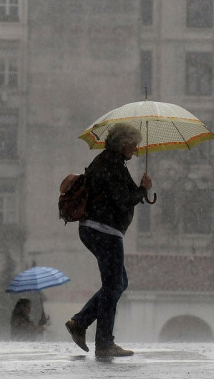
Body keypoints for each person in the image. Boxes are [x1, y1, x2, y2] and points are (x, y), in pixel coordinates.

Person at [64, 123, 152, 358]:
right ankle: (103, 342)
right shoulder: (111, 164)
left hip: (99, 230)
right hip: (104, 231)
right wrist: (143, 190)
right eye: (133, 144)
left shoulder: (112, 162)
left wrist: (142, 190)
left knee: (118, 283)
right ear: (123, 143)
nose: (136, 149)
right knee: (114, 285)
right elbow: (124, 200)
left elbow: (126, 195)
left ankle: (81, 323)